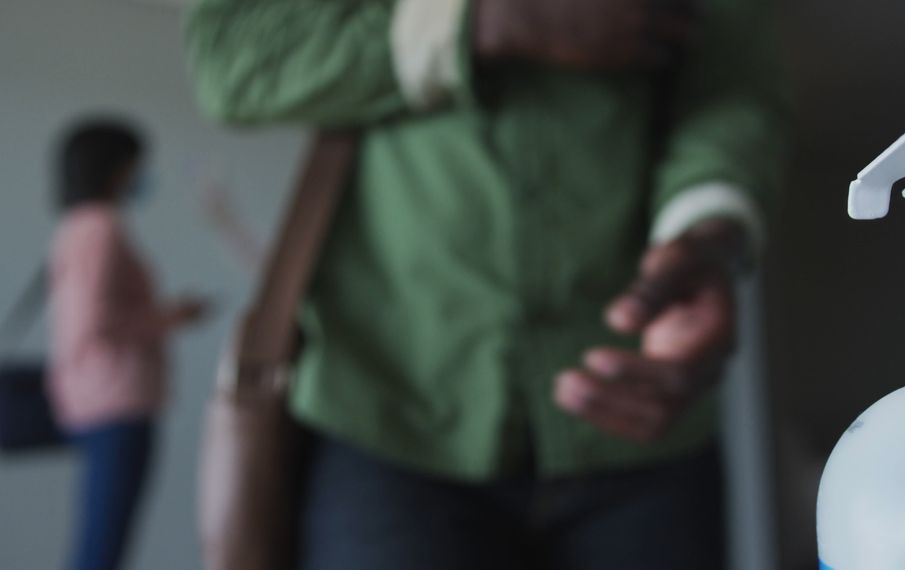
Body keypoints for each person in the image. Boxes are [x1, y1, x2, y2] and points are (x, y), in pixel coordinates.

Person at [186, 0, 787, 567]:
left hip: (642, 425)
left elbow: (731, 87)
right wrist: (485, 22)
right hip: (390, 408)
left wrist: (707, 234)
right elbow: (235, 55)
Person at [47, 119, 209, 570]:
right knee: (100, 553)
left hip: (93, 396)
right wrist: (170, 317)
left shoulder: (77, 226)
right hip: (115, 400)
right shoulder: (100, 228)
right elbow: (92, 323)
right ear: (116, 168)